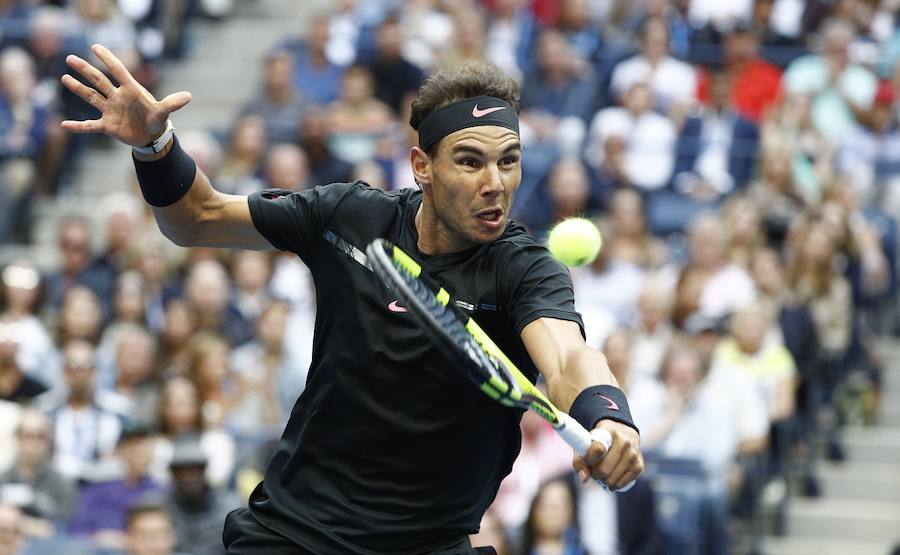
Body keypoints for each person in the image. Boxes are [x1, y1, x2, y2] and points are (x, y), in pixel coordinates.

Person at [60, 47, 643, 554]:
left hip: (428, 543)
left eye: (508, 160)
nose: (495, 183)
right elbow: (198, 217)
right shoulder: (350, 217)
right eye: (470, 161)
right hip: (295, 533)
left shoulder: (524, 269)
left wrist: (610, 418)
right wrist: (156, 145)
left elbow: (568, 359)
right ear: (422, 167)